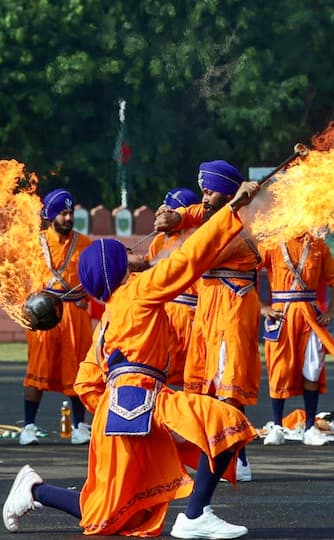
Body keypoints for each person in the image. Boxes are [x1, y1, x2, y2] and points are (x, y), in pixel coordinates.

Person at [2, 180, 260, 538]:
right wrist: (231, 210)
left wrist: (109, 414)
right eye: (124, 255)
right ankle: (194, 515)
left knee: (113, 511)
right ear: (119, 268)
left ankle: (35, 491)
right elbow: (188, 260)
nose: (132, 256)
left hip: (120, 411)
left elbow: (85, 383)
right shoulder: (139, 291)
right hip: (145, 400)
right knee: (224, 424)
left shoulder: (107, 318)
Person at [154, 161, 262, 481]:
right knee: (201, 385)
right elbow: (199, 215)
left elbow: (204, 249)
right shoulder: (214, 214)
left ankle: (237, 457)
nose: (204, 196)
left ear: (228, 192)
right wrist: (177, 216)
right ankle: (204, 452)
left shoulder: (244, 222)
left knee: (229, 387)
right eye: (202, 189)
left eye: (210, 190)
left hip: (233, 305)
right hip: (208, 306)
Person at [259, 233, 334, 446]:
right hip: (282, 316)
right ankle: (277, 426)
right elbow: (248, 273)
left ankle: (309, 427)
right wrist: (262, 307)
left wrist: (332, 310)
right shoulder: (271, 242)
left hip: (310, 317)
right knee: (279, 371)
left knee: (313, 369)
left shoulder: (318, 245)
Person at [21, 188, 92, 446]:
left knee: (76, 368)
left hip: (75, 313)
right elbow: (21, 278)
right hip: (43, 314)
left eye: (71, 213)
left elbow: (95, 277)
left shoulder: (86, 244)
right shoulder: (34, 243)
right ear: (52, 216)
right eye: (63, 213)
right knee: (36, 369)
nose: (68, 217)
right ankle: (28, 426)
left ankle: (79, 426)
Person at [146, 187, 201, 386]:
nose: (163, 216)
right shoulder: (158, 241)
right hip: (166, 316)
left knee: (195, 377)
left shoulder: (198, 239)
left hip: (194, 316)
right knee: (160, 374)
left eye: (169, 212)